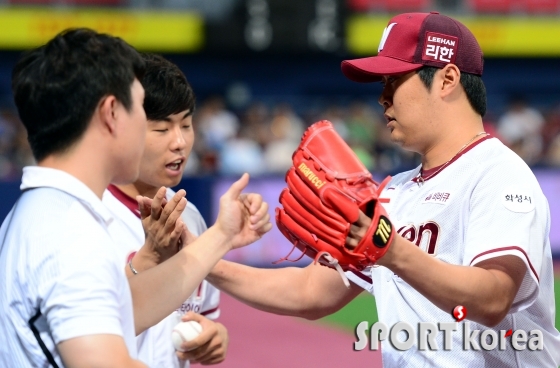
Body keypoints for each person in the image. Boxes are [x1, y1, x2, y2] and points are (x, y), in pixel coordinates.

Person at [206, 12, 560, 367]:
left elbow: (494, 298)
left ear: (447, 79)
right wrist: (198, 261)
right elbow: (310, 292)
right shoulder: (395, 194)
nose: (383, 97)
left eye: (394, 80)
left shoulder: (498, 173)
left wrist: (393, 251)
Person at [0, 28, 271, 368]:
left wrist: (221, 235)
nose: (178, 141)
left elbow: (125, 311)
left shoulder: (47, 210)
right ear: (111, 113)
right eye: (142, 109)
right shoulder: (69, 231)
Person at [103, 53, 226, 367]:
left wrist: (213, 334)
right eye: (162, 130)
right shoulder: (87, 217)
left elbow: (200, 314)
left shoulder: (190, 215)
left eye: (186, 124)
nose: (180, 142)